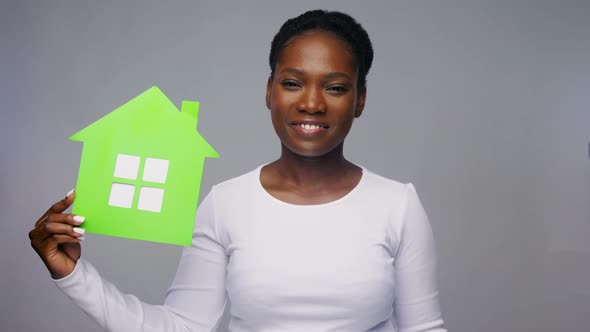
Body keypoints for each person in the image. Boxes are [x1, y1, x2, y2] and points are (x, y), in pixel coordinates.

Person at [29, 9, 446, 332]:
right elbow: (183, 327)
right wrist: (73, 275)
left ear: (360, 100)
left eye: (335, 87)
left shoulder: (398, 205)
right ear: (269, 92)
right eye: (292, 82)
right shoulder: (226, 204)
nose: (312, 103)